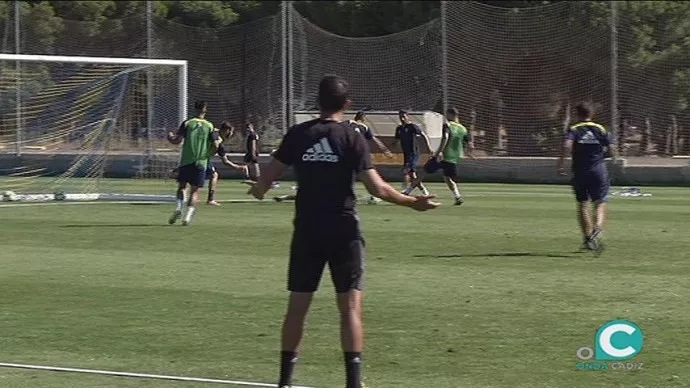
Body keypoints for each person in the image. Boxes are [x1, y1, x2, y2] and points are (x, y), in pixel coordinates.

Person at [248, 75, 440, 388]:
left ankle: (285, 382)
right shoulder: (352, 137)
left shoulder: (298, 134)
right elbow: (376, 188)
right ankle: (353, 382)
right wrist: (411, 202)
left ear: (317, 102)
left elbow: (266, 180)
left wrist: (257, 189)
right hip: (344, 229)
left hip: (308, 230)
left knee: (297, 307)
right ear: (346, 104)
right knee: (349, 308)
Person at [558, 102, 616, 251]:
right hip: (599, 170)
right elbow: (611, 148)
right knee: (600, 202)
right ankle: (597, 229)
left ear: (577, 114)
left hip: (580, 171)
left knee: (583, 204)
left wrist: (562, 163)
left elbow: (566, 145)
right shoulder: (600, 129)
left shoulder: (574, 129)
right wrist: (614, 158)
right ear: (592, 114)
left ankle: (588, 237)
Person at [167, 100, 221, 226]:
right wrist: (208, 154)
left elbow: (177, 140)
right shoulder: (210, 126)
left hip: (186, 160)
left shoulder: (187, 123)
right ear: (205, 109)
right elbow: (216, 144)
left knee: (181, 187)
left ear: (195, 109)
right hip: (201, 162)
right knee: (194, 191)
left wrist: (169, 137)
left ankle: (179, 209)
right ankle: (188, 216)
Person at [425, 107, 474, 205]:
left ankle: (409, 191)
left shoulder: (448, 125)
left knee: (424, 171)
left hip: (444, 155)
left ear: (450, 114)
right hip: (455, 157)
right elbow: (470, 144)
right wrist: (469, 153)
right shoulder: (463, 128)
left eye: (447, 115)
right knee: (448, 178)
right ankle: (457, 196)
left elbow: (445, 138)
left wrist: (439, 152)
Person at [347, 111, 394, 204]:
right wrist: (385, 150)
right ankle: (375, 196)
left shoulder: (348, 123)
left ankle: (347, 195)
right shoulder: (365, 127)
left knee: (348, 174)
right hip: (361, 153)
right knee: (370, 174)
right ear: (363, 117)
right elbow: (374, 140)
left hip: (348, 152)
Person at [205, 122, 250, 206]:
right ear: (227, 130)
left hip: (200, 158)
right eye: (231, 132)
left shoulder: (220, 143)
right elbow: (215, 143)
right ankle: (210, 199)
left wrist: (238, 167)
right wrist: (208, 155)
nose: (231, 134)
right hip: (201, 159)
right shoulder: (214, 133)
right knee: (214, 175)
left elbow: (225, 161)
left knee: (213, 175)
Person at [392, 110, 432, 196]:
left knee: (406, 170)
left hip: (414, 153)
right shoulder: (399, 128)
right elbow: (396, 140)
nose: (402, 118)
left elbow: (423, 135)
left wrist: (428, 147)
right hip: (406, 154)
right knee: (412, 175)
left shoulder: (412, 127)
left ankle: (406, 190)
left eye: (403, 116)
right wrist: (391, 148)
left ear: (407, 116)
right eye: (400, 116)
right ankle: (424, 191)